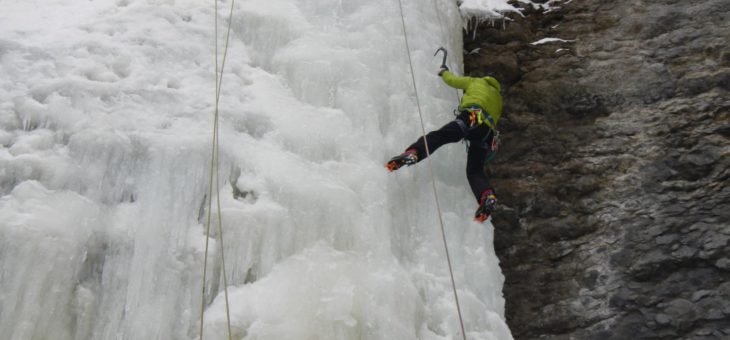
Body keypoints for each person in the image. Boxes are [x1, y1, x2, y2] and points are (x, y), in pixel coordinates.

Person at [386, 66, 503, 222]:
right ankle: (487, 196)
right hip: (486, 133)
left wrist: (443, 72)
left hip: (472, 117)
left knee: (440, 136)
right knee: (475, 171)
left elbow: (453, 80)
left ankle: (414, 153)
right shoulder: (498, 98)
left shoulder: (475, 81)